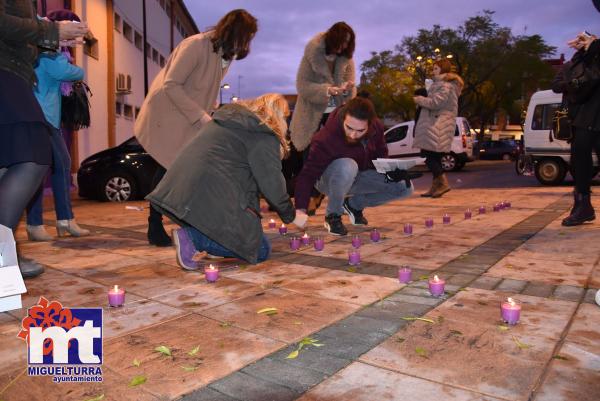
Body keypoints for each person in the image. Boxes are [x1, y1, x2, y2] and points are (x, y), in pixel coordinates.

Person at [135, 9, 258, 247]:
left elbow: (204, 84)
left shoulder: (225, 53)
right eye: (246, 36)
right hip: (168, 114)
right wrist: (201, 116)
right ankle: (157, 223)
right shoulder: (196, 44)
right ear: (233, 30)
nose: (247, 43)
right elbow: (171, 85)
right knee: (169, 169)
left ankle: (177, 222)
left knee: (179, 171)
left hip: (187, 116)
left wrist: (210, 105)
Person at [147, 94, 306, 268]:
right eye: (285, 117)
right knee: (259, 249)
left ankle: (209, 240)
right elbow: (272, 184)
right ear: (277, 116)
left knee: (244, 235)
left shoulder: (223, 122)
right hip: (212, 197)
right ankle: (194, 239)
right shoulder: (262, 135)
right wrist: (291, 216)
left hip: (184, 197)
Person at [0, 1, 87, 278]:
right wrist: (51, 31)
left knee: (9, 161)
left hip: (14, 72)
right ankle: (3, 252)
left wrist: (48, 41)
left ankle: (7, 251)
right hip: (4, 71)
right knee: (34, 154)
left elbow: (18, 39)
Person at [294, 97, 413, 236]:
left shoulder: (377, 128)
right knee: (347, 165)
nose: (353, 134)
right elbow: (307, 175)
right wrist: (300, 209)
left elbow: (381, 157)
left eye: (360, 130)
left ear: (370, 124)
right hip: (328, 180)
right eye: (349, 127)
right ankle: (333, 216)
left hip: (358, 176)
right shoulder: (325, 138)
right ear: (343, 118)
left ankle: (353, 205)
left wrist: (392, 172)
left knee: (404, 187)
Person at [25, 9, 90, 241]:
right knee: (46, 169)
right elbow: (70, 72)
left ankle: (61, 221)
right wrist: (76, 67)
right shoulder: (47, 54)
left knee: (50, 169)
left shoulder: (47, 52)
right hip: (42, 119)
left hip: (46, 118)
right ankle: (38, 223)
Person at [552, 32, 600, 226]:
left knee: (581, 161)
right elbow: (555, 85)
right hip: (581, 117)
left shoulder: (595, 58)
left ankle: (583, 207)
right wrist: (572, 85)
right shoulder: (570, 65)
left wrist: (594, 43)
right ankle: (583, 206)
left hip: (594, 115)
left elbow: (592, 78)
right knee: (579, 163)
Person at [289, 22, 357, 153]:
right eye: (342, 41)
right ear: (333, 38)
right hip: (310, 112)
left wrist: (348, 89)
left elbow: (350, 89)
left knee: (336, 151)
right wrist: (327, 90)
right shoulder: (312, 53)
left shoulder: (347, 59)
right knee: (306, 152)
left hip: (336, 111)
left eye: (347, 42)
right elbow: (302, 85)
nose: (344, 46)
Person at [413, 59, 464, 198]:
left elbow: (435, 103)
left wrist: (419, 99)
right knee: (432, 156)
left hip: (437, 125)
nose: (433, 71)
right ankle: (435, 187)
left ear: (443, 70)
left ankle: (443, 183)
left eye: (436, 69)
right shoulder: (443, 85)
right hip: (436, 125)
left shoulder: (445, 86)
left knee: (429, 156)